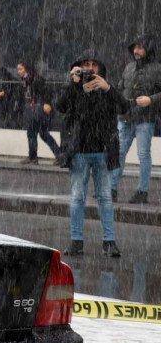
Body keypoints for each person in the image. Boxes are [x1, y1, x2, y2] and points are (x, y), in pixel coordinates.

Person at [56, 52, 130, 257]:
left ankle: (109, 242)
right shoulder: (75, 87)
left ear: (100, 68)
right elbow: (60, 107)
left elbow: (125, 107)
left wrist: (108, 88)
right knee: (77, 197)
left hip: (102, 153)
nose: (90, 68)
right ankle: (76, 241)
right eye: (86, 65)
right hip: (79, 152)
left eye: (93, 65)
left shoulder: (106, 89)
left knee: (105, 198)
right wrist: (73, 83)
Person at [112, 37, 160, 204]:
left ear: (148, 49)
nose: (136, 51)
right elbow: (120, 87)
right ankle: (111, 189)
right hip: (125, 117)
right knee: (118, 153)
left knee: (143, 155)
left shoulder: (158, 69)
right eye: (135, 48)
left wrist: (151, 99)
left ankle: (142, 192)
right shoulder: (129, 67)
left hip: (145, 119)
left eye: (140, 48)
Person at [11, 61, 61, 166]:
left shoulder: (35, 78)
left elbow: (47, 91)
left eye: (20, 69)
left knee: (42, 133)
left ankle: (59, 156)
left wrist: (46, 103)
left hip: (39, 109)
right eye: (18, 69)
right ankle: (34, 157)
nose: (18, 71)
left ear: (26, 69)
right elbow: (23, 95)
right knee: (33, 133)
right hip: (32, 110)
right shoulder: (24, 80)